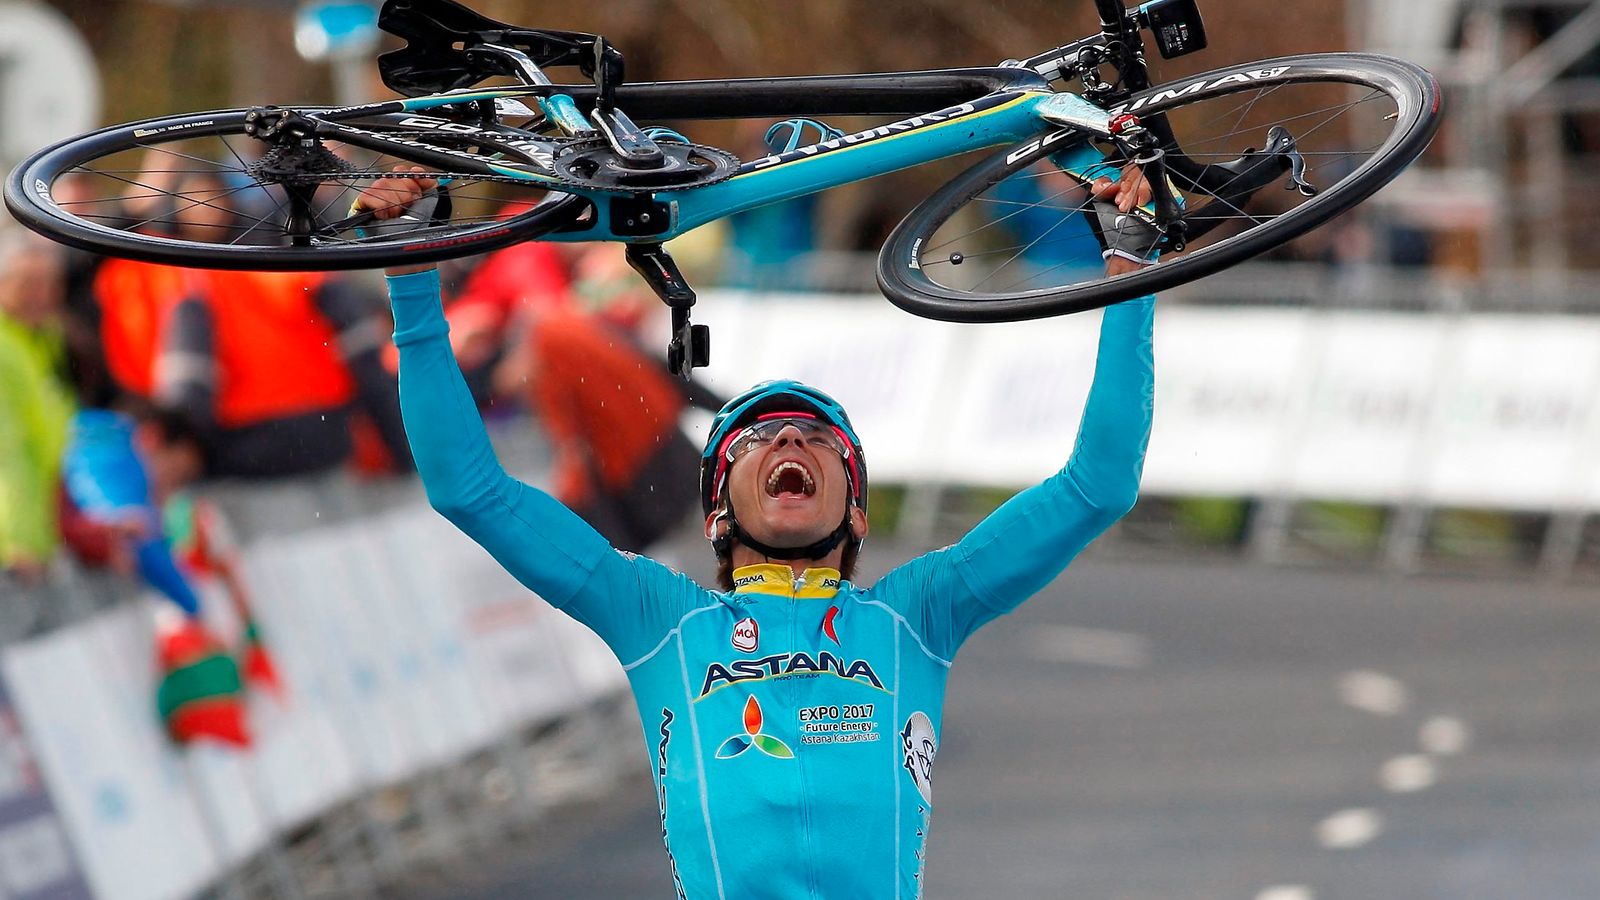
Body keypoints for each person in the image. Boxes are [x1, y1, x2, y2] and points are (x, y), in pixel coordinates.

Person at [364, 166, 1156, 898]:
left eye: (818, 440)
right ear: (716, 511)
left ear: (856, 509)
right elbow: (469, 491)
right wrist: (411, 275)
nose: (787, 442)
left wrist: (1132, 269)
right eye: (758, 439)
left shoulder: (920, 616)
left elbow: (1098, 485)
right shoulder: (656, 620)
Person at [0, 233, 75, 583]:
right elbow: (9, 453)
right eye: (28, 283)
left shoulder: (43, 338)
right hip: (15, 549)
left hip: (42, 531)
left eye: (50, 284)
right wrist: (22, 541)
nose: (41, 295)